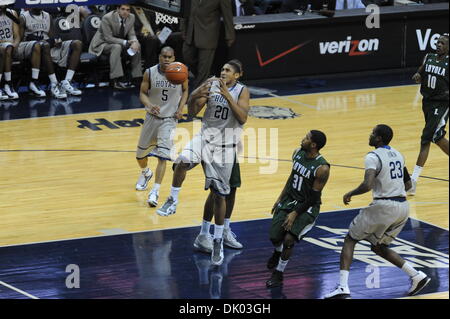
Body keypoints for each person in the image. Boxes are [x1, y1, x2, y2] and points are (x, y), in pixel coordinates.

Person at [157, 59, 250, 266]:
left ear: (237, 75)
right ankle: (173, 199)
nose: (223, 72)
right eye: (222, 69)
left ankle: (217, 240)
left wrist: (227, 96)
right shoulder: (212, 85)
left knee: (219, 195)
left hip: (225, 147)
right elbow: (192, 112)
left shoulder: (242, 91)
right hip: (204, 138)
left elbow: (242, 117)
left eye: (228, 70)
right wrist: (197, 93)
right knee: (181, 161)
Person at [324, 124, 430, 299]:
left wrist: (351, 193)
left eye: (373, 133)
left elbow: (368, 184)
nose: (370, 136)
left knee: (350, 239)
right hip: (403, 208)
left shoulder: (372, 156)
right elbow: (409, 185)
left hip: (384, 206)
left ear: (379, 138)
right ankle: (417, 275)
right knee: (379, 247)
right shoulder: (398, 154)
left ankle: (343, 287)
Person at [266, 130, 330, 288]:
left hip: (307, 206)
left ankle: (279, 273)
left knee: (289, 239)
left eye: (307, 138)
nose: (303, 138)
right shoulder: (297, 153)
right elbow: (291, 177)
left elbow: (314, 197)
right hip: (289, 200)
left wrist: (295, 213)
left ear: (314, 145)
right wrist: (280, 198)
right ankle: (278, 251)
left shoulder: (322, 168)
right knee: (275, 237)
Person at [135, 46, 188, 208]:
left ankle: (155, 191)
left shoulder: (181, 72)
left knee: (163, 157)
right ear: (159, 57)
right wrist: (149, 105)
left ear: (174, 58)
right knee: (140, 156)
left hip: (169, 120)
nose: (166, 59)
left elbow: (185, 91)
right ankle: (146, 173)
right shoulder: (150, 73)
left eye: (169, 57)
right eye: (164, 56)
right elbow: (142, 93)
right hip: (152, 117)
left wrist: (180, 108)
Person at [408, 34, 449, 196]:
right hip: (427, 102)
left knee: (426, 138)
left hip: (442, 104)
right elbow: (420, 72)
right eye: (438, 42)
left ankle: (413, 181)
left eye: (443, 43)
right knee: (437, 137)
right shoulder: (429, 57)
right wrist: (418, 76)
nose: (438, 45)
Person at [19, 7, 83, 98]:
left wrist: (57, 40)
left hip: (47, 45)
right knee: (45, 45)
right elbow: (21, 40)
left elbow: (52, 36)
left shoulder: (47, 16)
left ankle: (67, 81)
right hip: (34, 49)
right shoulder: (23, 17)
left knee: (77, 44)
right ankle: (54, 84)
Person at [181, 0, 235, 90]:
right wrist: (183, 28)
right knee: (187, 56)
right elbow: (185, 10)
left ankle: (198, 93)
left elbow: (227, 15)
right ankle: (206, 79)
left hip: (208, 34)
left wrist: (230, 36)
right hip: (191, 32)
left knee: (203, 69)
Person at [89, 4, 143, 90]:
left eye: (128, 10)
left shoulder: (131, 17)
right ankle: (115, 80)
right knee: (116, 47)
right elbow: (108, 38)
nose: (125, 12)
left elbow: (132, 34)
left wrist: (135, 42)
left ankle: (136, 77)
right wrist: (125, 42)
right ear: (118, 9)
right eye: (123, 9)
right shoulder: (107, 18)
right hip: (102, 44)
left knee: (137, 46)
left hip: (118, 42)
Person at [0, 5, 20, 100]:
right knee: (4, 49)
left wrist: (14, 45)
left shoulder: (12, 13)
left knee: (8, 47)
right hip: (2, 45)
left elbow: (17, 36)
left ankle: (8, 84)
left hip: (10, 45)